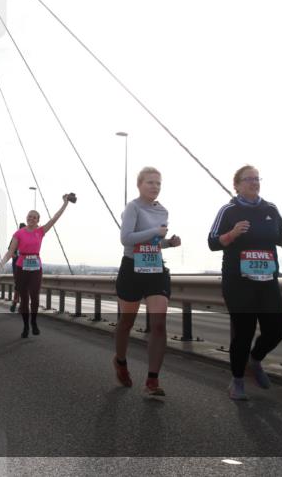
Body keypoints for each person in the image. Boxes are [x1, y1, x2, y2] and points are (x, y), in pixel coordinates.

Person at [209, 166, 282, 401]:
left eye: (257, 179)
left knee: (276, 330)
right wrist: (232, 234)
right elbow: (212, 242)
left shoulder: (270, 208)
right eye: (248, 179)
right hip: (238, 282)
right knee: (244, 332)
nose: (254, 183)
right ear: (236, 184)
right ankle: (237, 381)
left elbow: (279, 235)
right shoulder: (228, 210)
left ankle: (255, 360)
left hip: (267, 280)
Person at [114, 167, 181, 397]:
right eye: (150, 182)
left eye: (158, 183)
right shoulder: (133, 207)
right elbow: (126, 239)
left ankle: (152, 380)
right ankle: (120, 361)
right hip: (132, 267)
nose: (155, 186)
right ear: (139, 184)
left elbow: (153, 242)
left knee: (159, 324)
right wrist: (155, 230)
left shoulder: (163, 210)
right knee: (126, 323)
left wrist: (168, 243)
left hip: (154, 268)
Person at [0, 194, 73, 338]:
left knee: (35, 296)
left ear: (38, 220)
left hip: (35, 268)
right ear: (26, 218)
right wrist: (0, 264)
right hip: (21, 267)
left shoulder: (41, 231)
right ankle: (26, 326)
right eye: (29, 216)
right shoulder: (18, 233)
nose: (31, 218)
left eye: (34, 217)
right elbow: (11, 251)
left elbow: (55, 219)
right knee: (24, 299)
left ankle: (33, 322)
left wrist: (65, 204)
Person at [9, 222, 25, 313]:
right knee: (18, 284)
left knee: (23, 285)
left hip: (25, 265)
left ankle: (20, 304)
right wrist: (14, 255)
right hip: (16, 265)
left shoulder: (27, 238)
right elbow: (10, 251)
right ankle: (15, 302)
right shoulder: (15, 238)